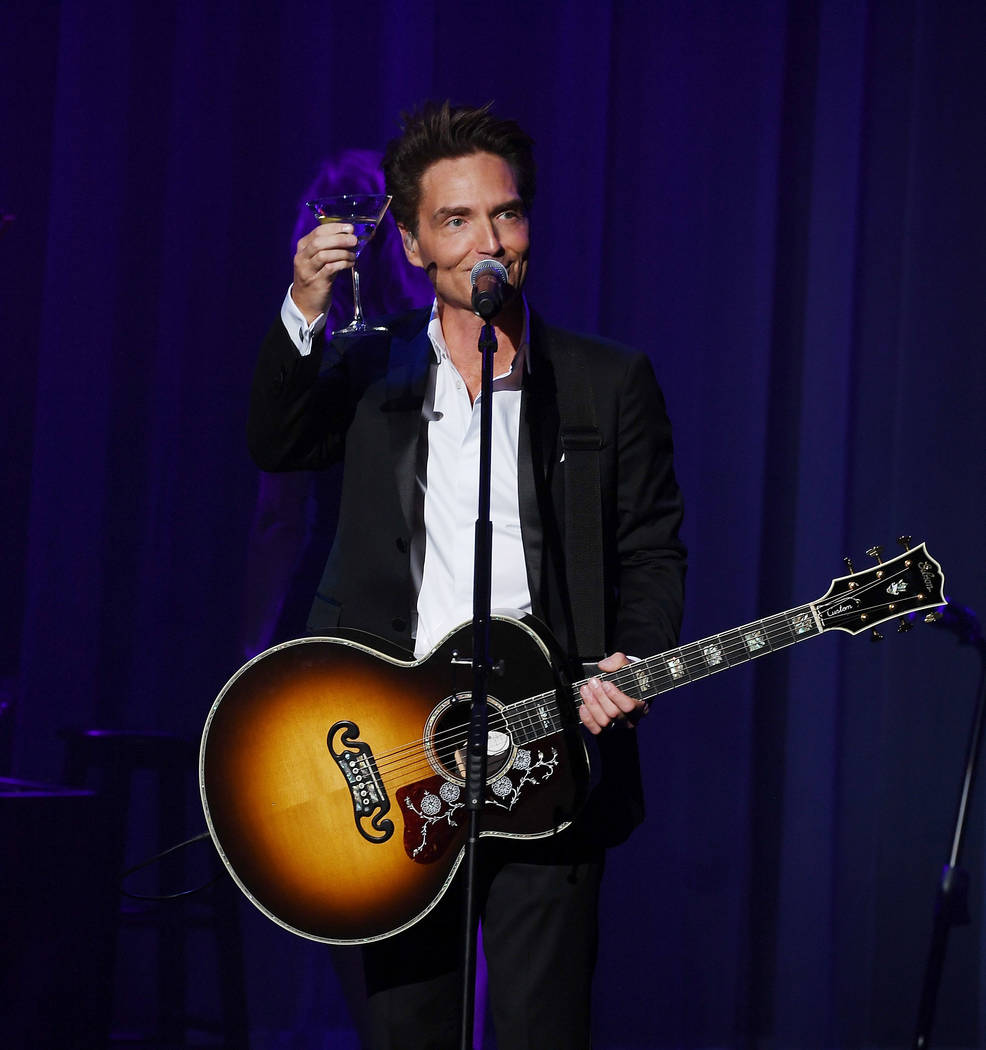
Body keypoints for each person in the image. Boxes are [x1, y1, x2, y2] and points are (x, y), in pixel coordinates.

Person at [248, 101, 686, 1050]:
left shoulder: (607, 381)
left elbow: (651, 546)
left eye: (507, 213)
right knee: (406, 1027)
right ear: (411, 246)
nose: (490, 241)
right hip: (399, 759)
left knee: (541, 1028)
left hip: (547, 749)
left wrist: (633, 657)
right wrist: (305, 307)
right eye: (456, 220)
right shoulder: (370, 369)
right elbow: (277, 443)